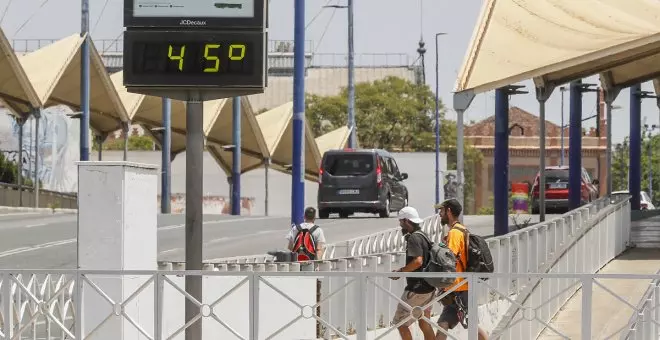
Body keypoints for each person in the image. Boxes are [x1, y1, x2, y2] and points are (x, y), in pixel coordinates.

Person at [434, 199, 488, 340]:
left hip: (459, 289)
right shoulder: (463, 229)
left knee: (472, 326)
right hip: (456, 288)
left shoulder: (455, 233)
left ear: (449, 211)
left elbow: (448, 259)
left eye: (442, 210)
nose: (440, 214)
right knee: (443, 324)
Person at [390, 206, 436, 340]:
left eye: (401, 221)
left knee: (401, 323)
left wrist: (400, 271)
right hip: (429, 288)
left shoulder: (414, 238)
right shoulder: (423, 236)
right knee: (424, 322)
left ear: (406, 221)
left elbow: (418, 261)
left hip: (417, 289)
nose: (400, 225)